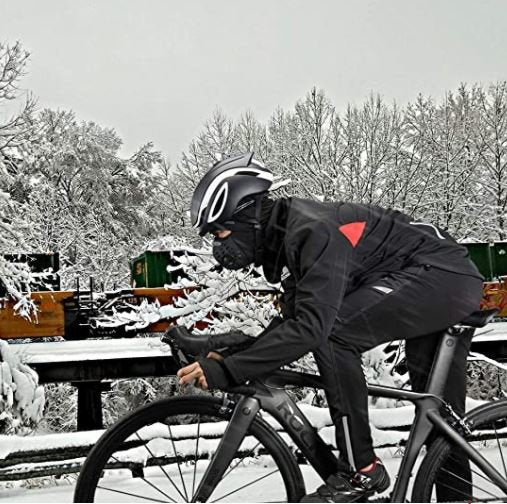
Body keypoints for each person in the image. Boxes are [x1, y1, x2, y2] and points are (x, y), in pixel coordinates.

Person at [177, 152, 484, 502]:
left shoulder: (314, 231)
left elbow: (312, 328)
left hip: (442, 276)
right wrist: (229, 356)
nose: (219, 246)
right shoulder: (291, 237)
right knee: (440, 418)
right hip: (437, 277)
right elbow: (293, 322)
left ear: (249, 219)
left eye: (221, 231)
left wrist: (230, 370)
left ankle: (361, 470)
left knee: (333, 334)